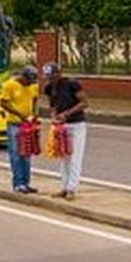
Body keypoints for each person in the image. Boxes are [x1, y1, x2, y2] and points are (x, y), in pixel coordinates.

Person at [42, 62, 88, 200]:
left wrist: (66, 114)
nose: (50, 79)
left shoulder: (72, 84)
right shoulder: (49, 87)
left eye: (52, 76)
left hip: (76, 124)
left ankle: (72, 189)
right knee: (63, 157)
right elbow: (53, 104)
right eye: (48, 77)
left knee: (74, 157)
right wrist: (54, 116)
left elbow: (84, 103)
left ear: (58, 73)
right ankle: (64, 187)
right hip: (61, 125)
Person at [0, 66, 41, 194]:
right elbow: (3, 103)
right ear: (23, 77)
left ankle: (26, 183)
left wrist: (34, 113)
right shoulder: (10, 85)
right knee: (16, 154)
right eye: (28, 81)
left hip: (28, 124)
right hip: (15, 124)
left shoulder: (33, 86)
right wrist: (19, 115)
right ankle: (18, 183)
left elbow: (34, 100)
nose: (30, 84)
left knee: (26, 154)